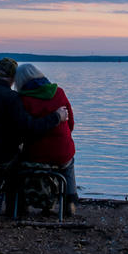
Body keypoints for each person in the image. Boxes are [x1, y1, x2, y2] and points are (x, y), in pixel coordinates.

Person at [0, 58, 68, 208]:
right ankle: (14, 208)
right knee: (19, 161)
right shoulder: (12, 98)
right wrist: (57, 117)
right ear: (14, 78)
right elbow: (29, 127)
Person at [14, 63, 78, 217]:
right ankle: (70, 203)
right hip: (61, 151)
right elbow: (70, 122)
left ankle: (21, 205)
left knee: (19, 164)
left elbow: (23, 129)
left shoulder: (22, 99)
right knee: (68, 164)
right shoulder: (59, 92)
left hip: (35, 153)